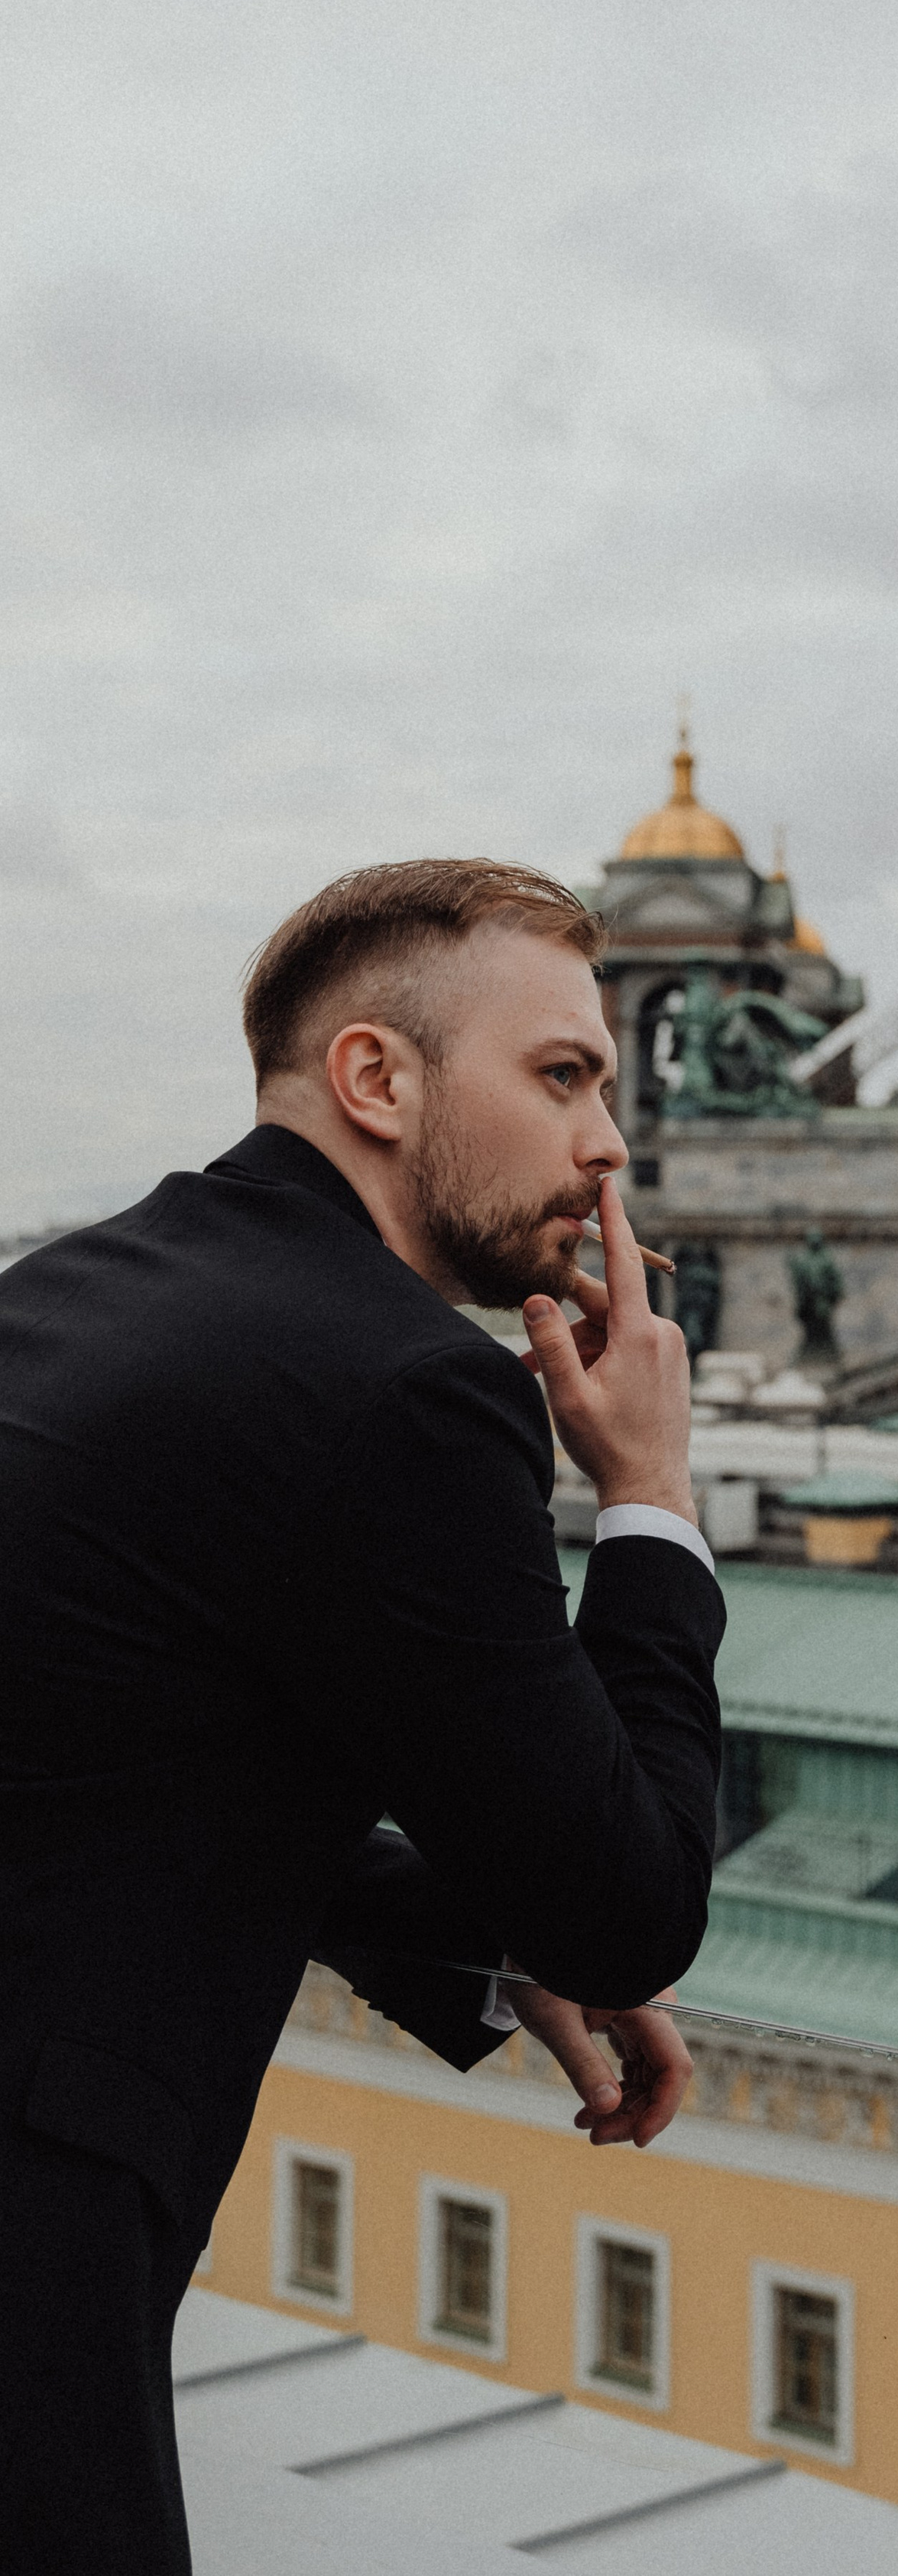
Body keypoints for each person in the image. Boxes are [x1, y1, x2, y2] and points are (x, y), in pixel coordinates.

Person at [0, 857, 724, 2571]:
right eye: (561, 1077)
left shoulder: (61, 1297)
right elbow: (631, 1899)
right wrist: (650, 1493)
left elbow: (135, 1727)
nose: (608, 1143)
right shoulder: (406, 1386)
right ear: (377, 1082)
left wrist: (476, 1940)